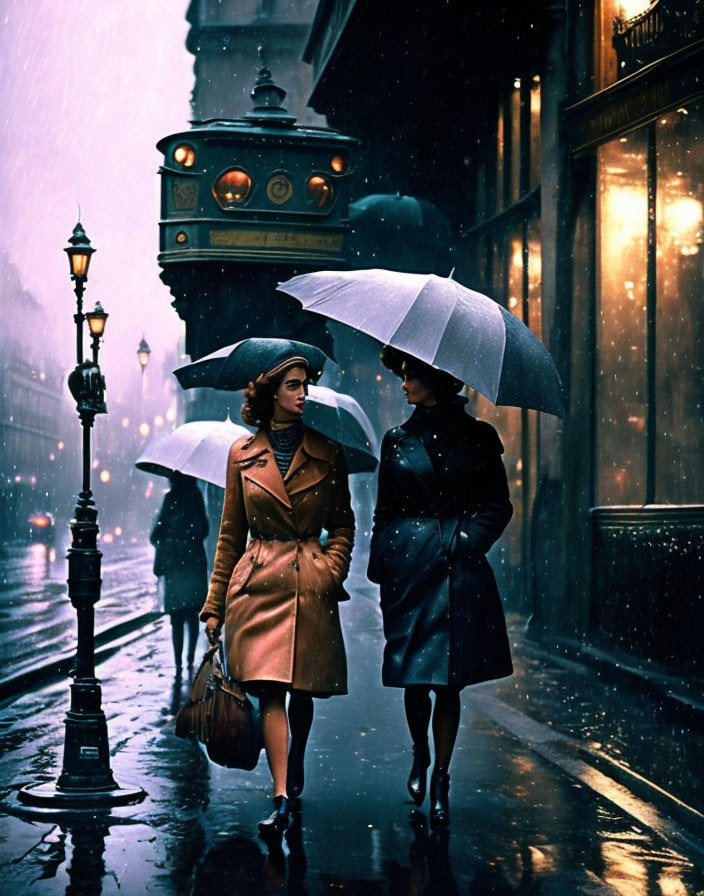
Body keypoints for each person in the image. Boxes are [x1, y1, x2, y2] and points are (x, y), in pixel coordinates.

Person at [199, 352, 354, 839]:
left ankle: (295, 755)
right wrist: (214, 605)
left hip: (309, 584)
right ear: (269, 394)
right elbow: (229, 535)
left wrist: (330, 568)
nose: (303, 393)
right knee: (270, 692)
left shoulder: (329, 453)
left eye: (306, 384)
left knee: (302, 690)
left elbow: (343, 523)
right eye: (293, 385)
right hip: (259, 586)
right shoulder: (241, 454)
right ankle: (281, 795)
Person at [367, 346, 513, 829]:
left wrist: (466, 541)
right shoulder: (396, 440)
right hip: (408, 571)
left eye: (410, 375)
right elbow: (384, 510)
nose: (402, 383)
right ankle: (420, 754)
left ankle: (442, 777)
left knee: (448, 679)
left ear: (434, 378)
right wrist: (384, 560)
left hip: (454, 571)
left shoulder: (478, 438)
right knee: (416, 677)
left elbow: (498, 505)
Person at [150, 472, 209, 680]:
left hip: (177, 564)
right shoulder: (195, 496)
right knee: (191, 615)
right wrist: (188, 537)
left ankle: (179, 664)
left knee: (178, 616)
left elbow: (156, 533)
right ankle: (188, 661)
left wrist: (172, 536)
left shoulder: (172, 498)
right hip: (191, 564)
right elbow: (204, 529)